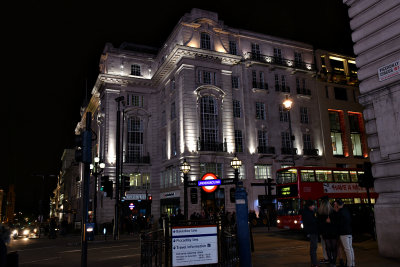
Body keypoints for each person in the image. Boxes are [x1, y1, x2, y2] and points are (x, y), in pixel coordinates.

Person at [318, 199, 339, 267]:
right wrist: (330, 222)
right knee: (333, 247)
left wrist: (325, 222)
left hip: (326, 232)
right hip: (333, 231)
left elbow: (319, 224)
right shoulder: (333, 211)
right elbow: (337, 222)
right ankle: (333, 262)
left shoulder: (320, 212)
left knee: (328, 247)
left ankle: (331, 262)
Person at [334, 199, 355, 267]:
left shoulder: (339, 213)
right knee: (350, 248)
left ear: (337, 204)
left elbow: (338, 223)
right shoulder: (346, 211)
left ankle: (349, 264)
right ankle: (352, 263)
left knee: (347, 249)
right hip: (349, 231)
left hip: (343, 233)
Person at [302, 200, 319, 267]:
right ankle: (314, 264)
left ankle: (313, 263)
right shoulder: (308, 213)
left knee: (313, 248)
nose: (314, 207)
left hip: (311, 231)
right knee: (313, 248)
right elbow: (312, 222)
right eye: (313, 205)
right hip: (313, 231)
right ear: (309, 206)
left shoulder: (307, 212)